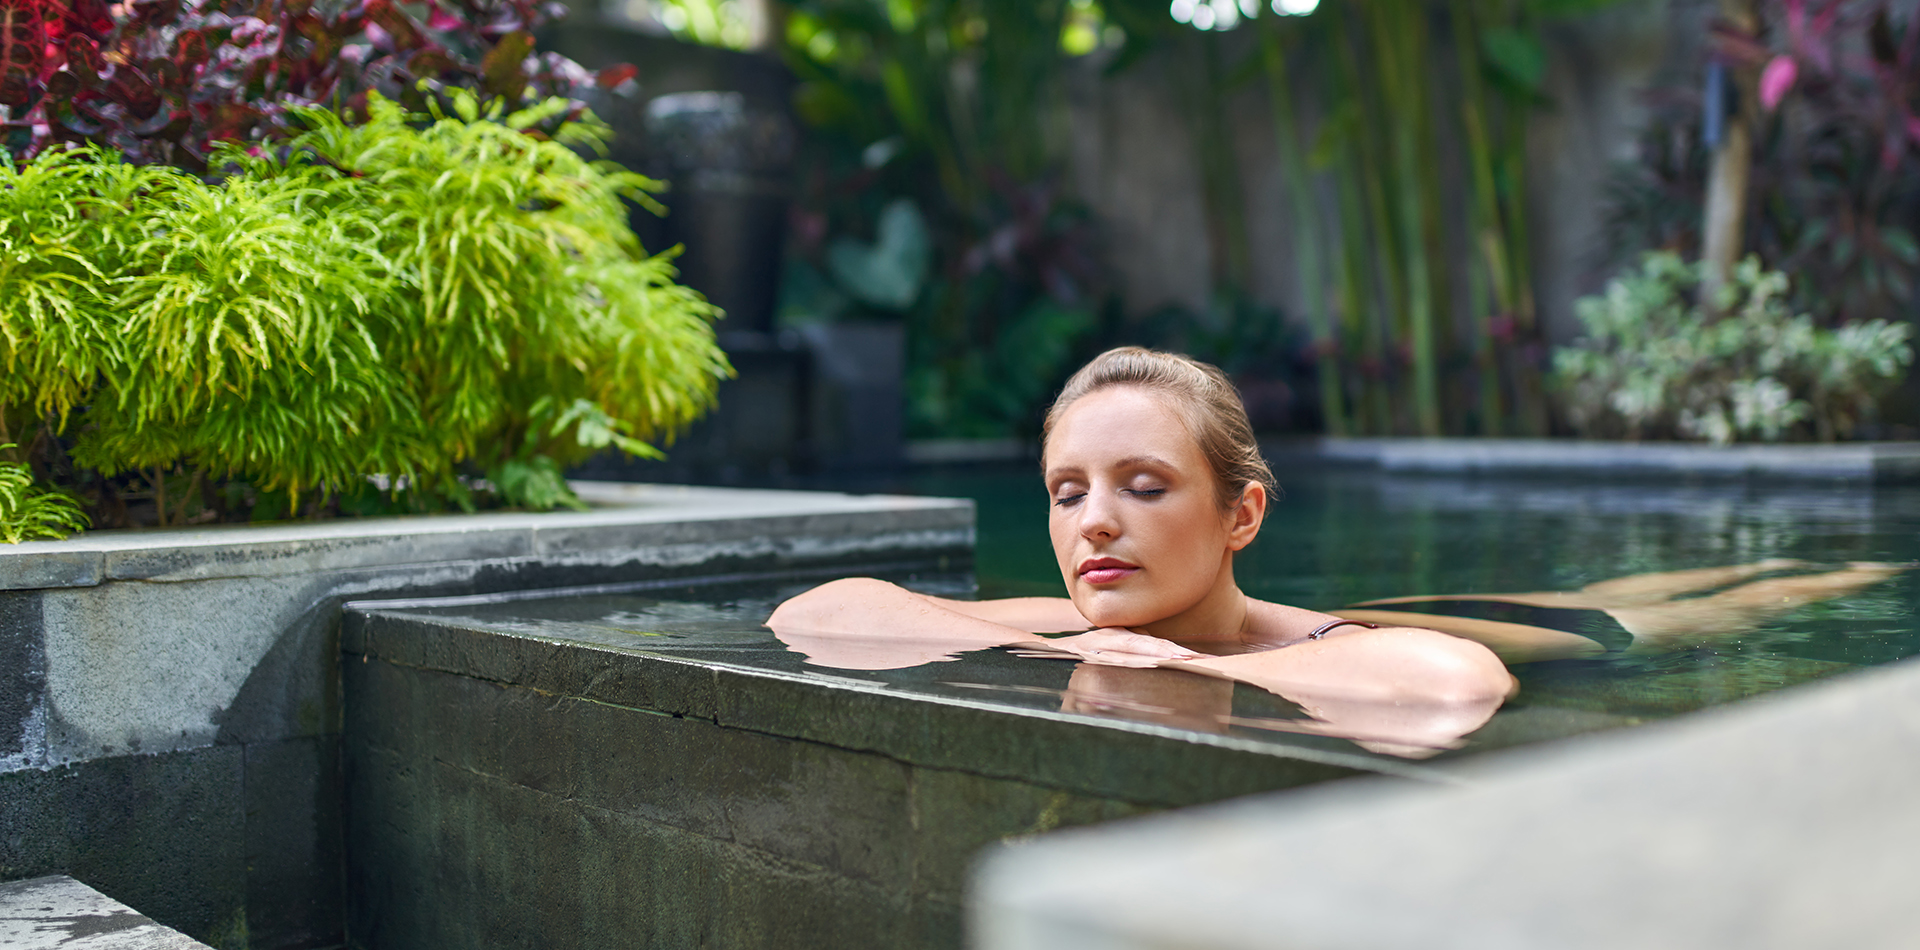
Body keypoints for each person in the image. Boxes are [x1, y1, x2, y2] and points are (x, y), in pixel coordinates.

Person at [768, 347, 1516, 752]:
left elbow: (1459, 682)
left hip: (1514, 625)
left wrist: (1180, 663)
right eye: (1068, 493)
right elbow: (818, 610)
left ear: (1241, 516)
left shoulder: (1326, 641)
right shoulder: (1071, 626)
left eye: (1145, 487)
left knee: (1625, 610)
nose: (1093, 521)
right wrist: (1059, 647)